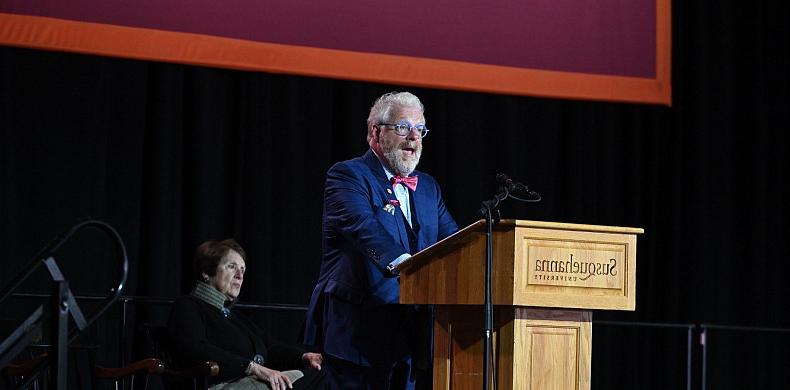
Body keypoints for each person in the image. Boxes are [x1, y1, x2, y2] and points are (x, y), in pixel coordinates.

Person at [303, 91, 459, 389]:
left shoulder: (428, 188)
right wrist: (407, 265)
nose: (413, 137)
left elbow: (452, 240)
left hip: (411, 334)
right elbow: (364, 227)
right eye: (403, 127)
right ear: (376, 131)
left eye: (420, 129)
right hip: (357, 332)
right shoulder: (348, 175)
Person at [167, 239, 326, 390]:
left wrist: (303, 356)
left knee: (322, 373)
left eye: (242, 269)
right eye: (231, 266)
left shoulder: (232, 315)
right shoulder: (188, 306)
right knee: (319, 379)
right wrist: (252, 367)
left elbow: (269, 346)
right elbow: (194, 349)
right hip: (219, 385)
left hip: (250, 383)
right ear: (206, 272)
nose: (239, 275)